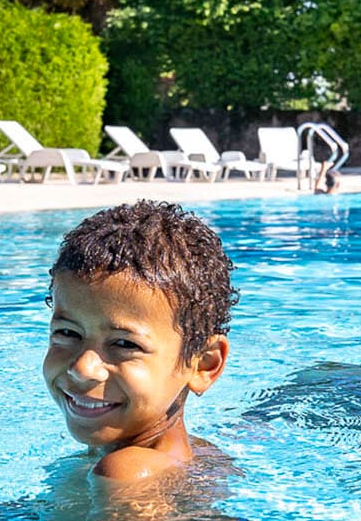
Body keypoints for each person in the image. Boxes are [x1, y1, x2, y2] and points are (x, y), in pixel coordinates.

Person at [45, 201, 236, 484]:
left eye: (124, 344)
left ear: (204, 364)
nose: (83, 368)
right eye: (68, 333)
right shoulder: (196, 454)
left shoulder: (125, 473)